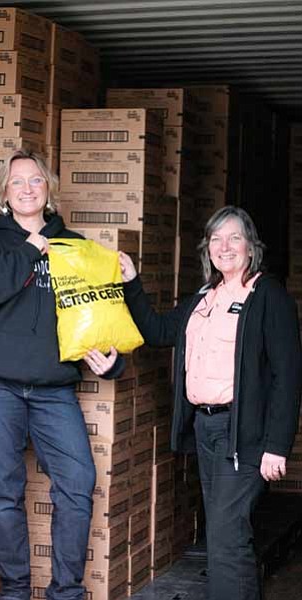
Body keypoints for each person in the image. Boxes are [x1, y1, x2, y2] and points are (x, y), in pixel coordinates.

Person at [0, 148, 124, 600]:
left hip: (53, 390)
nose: (27, 188)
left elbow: (98, 314)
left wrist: (114, 359)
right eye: (17, 182)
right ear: (4, 194)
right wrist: (30, 250)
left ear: (49, 189)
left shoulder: (76, 246)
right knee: (6, 491)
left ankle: (65, 592)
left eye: (36, 181)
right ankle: (14, 590)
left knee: (78, 483)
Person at [119, 205, 301, 600]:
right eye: (216, 238)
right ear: (208, 250)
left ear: (251, 247)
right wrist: (132, 283)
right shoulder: (204, 297)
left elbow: (287, 375)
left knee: (227, 537)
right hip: (206, 428)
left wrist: (276, 446)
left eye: (235, 236)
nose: (225, 245)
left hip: (245, 432)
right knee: (224, 534)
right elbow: (159, 330)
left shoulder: (268, 295)